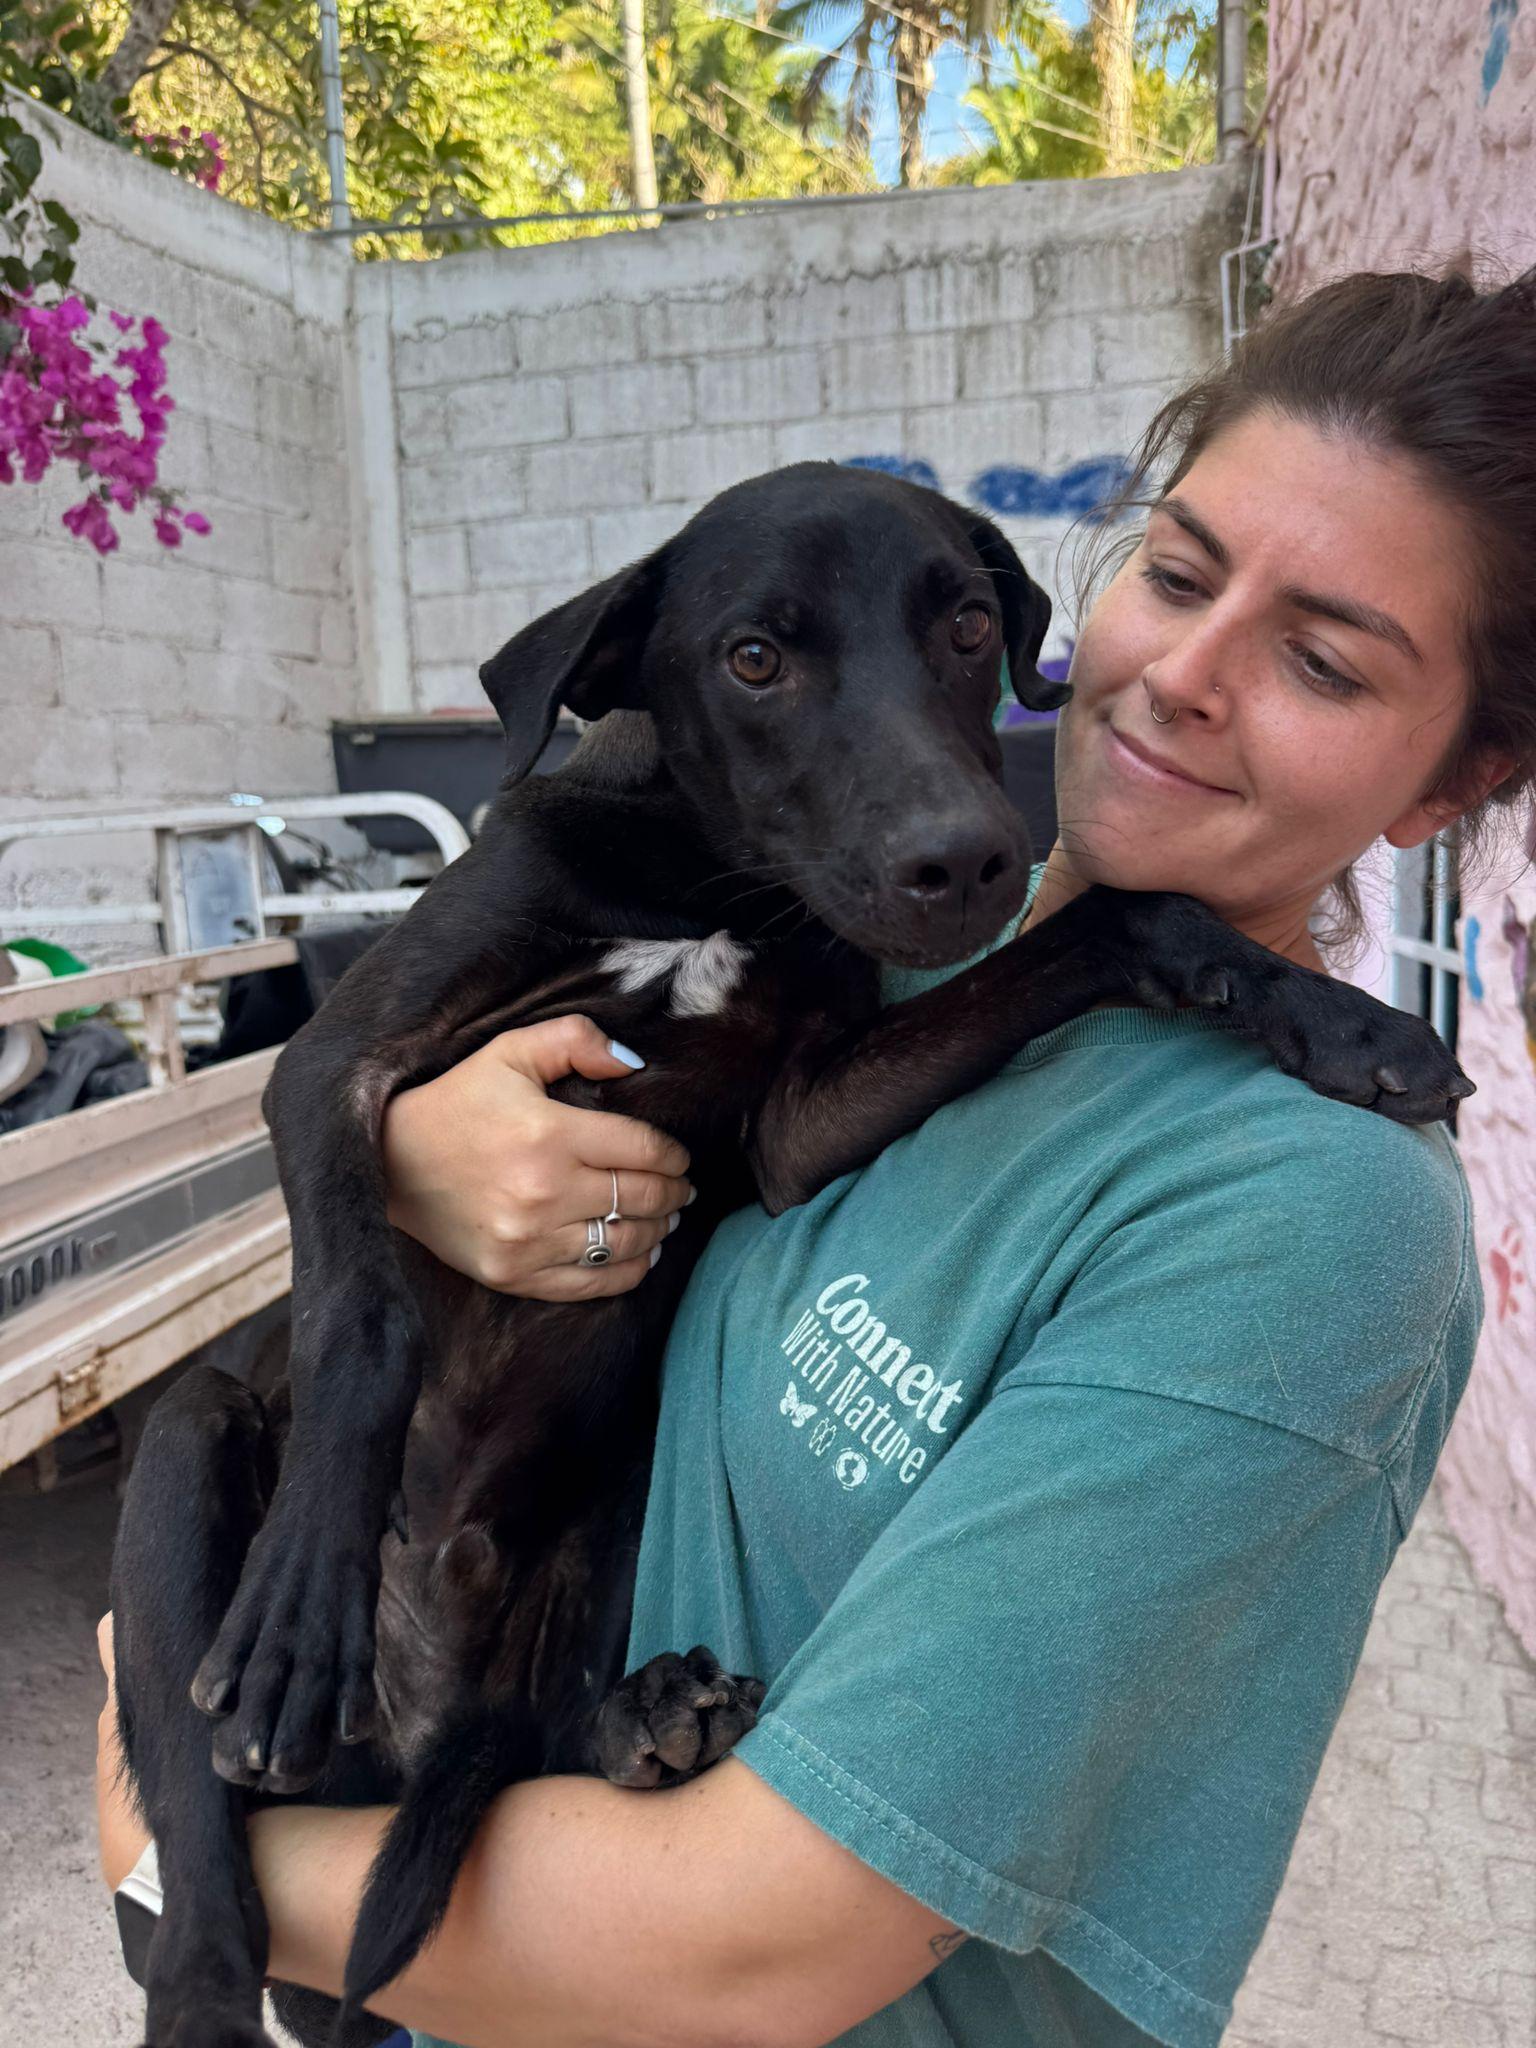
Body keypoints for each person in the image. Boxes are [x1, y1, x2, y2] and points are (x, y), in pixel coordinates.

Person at [98, 267, 1536, 2048]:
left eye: (1322, 660)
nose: (1184, 677)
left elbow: (751, 1949)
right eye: (1173, 575)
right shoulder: (868, 948)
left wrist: (181, 1864)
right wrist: (414, 1150)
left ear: (1453, 778)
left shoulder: (1305, 1228)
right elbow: (618, 1112)